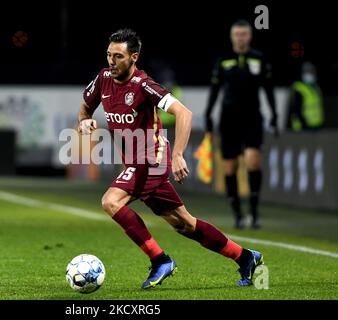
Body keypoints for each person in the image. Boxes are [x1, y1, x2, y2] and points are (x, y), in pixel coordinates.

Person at [77, 28, 263, 289]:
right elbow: (85, 107)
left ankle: (160, 260)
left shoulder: (144, 86)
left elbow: (184, 113)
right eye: (109, 55)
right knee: (184, 224)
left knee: (111, 201)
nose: (111, 61)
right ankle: (245, 258)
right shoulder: (103, 79)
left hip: (152, 159)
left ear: (134, 57)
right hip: (135, 163)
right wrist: (84, 122)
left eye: (118, 56)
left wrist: (178, 155)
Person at [205, 20, 278, 230]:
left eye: (244, 34)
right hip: (228, 119)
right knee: (230, 167)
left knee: (253, 161)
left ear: (250, 36)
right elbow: (215, 90)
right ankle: (238, 214)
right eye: (237, 34)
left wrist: (274, 113)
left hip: (252, 117)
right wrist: (209, 115)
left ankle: (254, 214)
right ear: (231, 37)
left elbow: (268, 88)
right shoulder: (223, 60)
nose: (241, 38)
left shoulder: (259, 58)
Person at [286, 62, 325, 131]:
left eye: (310, 71)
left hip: (316, 125)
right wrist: (304, 124)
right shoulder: (299, 88)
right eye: (307, 72)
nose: (309, 74)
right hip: (302, 127)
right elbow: (296, 109)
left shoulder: (316, 87)